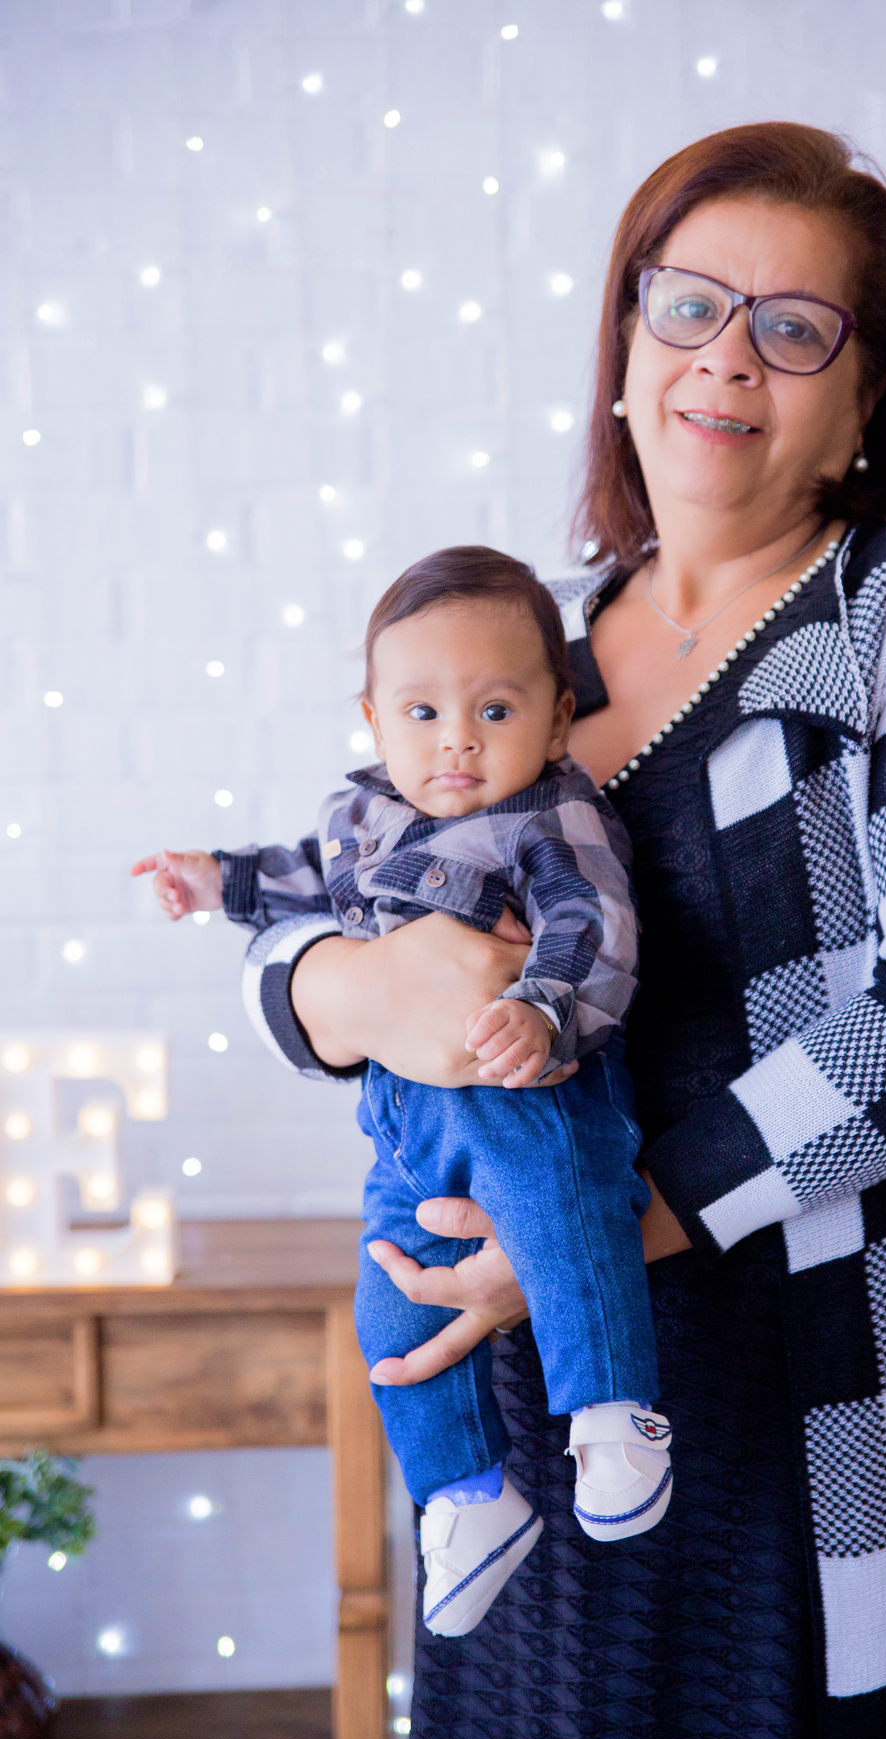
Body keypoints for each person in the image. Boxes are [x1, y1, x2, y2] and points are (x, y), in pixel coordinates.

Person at [233, 124, 886, 1739]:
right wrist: (336, 993)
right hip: (554, 1420)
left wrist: (603, 1226)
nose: (728, 357)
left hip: (853, 1398)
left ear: (867, 397)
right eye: (691, 305)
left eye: (795, 327)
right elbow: (322, 886)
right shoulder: (527, 638)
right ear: (627, 347)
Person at [131, 545, 675, 1640]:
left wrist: (544, 1011)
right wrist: (216, 880)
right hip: (401, 1129)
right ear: (375, 721)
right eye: (423, 712)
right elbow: (297, 876)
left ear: (559, 719)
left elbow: (595, 925)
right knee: (387, 1304)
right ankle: (465, 1496)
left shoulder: (550, 815)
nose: (457, 739)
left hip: (530, 1093)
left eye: (495, 709)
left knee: (567, 1224)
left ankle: (614, 1414)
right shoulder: (359, 814)